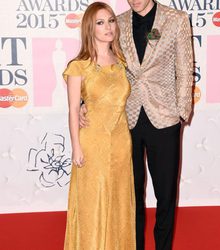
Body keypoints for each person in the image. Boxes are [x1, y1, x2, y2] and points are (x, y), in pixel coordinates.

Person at [80, 0, 193, 249]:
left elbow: (185, 69)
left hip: (164, 118)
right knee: (131, 196)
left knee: (165, 195)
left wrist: (182, 111)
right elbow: (97, 61)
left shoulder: (176, 19)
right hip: (124, 120)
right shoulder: (116, 22)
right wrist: (83, 100)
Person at [63, 2, 136, 249]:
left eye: (111, 21)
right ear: (89, 28)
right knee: (93, 203)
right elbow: (74, 108)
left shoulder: (122, 60)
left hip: (121, 141)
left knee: (119, 200)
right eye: (100, 22)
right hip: (92, 142)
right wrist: (76, 147)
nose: (108, 27)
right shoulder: (79, 65)